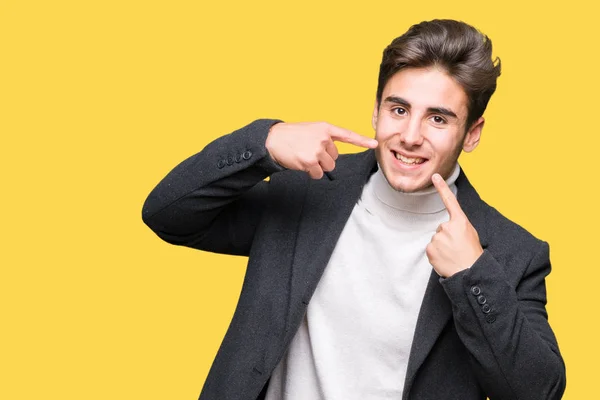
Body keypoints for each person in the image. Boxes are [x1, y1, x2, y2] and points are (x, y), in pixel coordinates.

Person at [142, 19, 566, 400]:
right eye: (398, 110)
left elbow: (539, 391)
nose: (410, 136)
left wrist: (472, 276)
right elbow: (168, 214)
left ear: (471, 134)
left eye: (438, 119)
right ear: (376, 110)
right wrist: (265, 142)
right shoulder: (306, 189)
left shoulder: (510, 253)